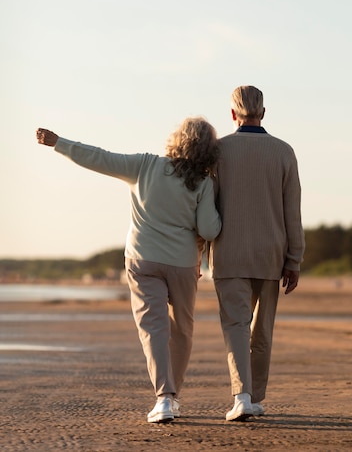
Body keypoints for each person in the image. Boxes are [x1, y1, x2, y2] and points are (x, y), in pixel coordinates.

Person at [36, 118, 222, 423]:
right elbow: (209, 229)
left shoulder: (145, 166)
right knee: (182, 329)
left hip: (143, 259)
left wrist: (60, 143)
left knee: (154, 329)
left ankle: (163, 398)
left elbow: (100, 157)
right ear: (209, 149)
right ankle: (172, 397)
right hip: (182, 263)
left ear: (177, 139)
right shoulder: (203, 181)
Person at [209, 86, 305, 421]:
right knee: (262, 330)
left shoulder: (218, 151)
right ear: (263, 112)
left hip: (228, 253)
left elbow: (207, 209)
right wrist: (294, 260)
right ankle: (253, 397)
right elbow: (292, 211)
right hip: (271, 255)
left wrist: (197, 250)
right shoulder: (283, 152)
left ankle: (243, 396)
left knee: (236, 326)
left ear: (232, 114)